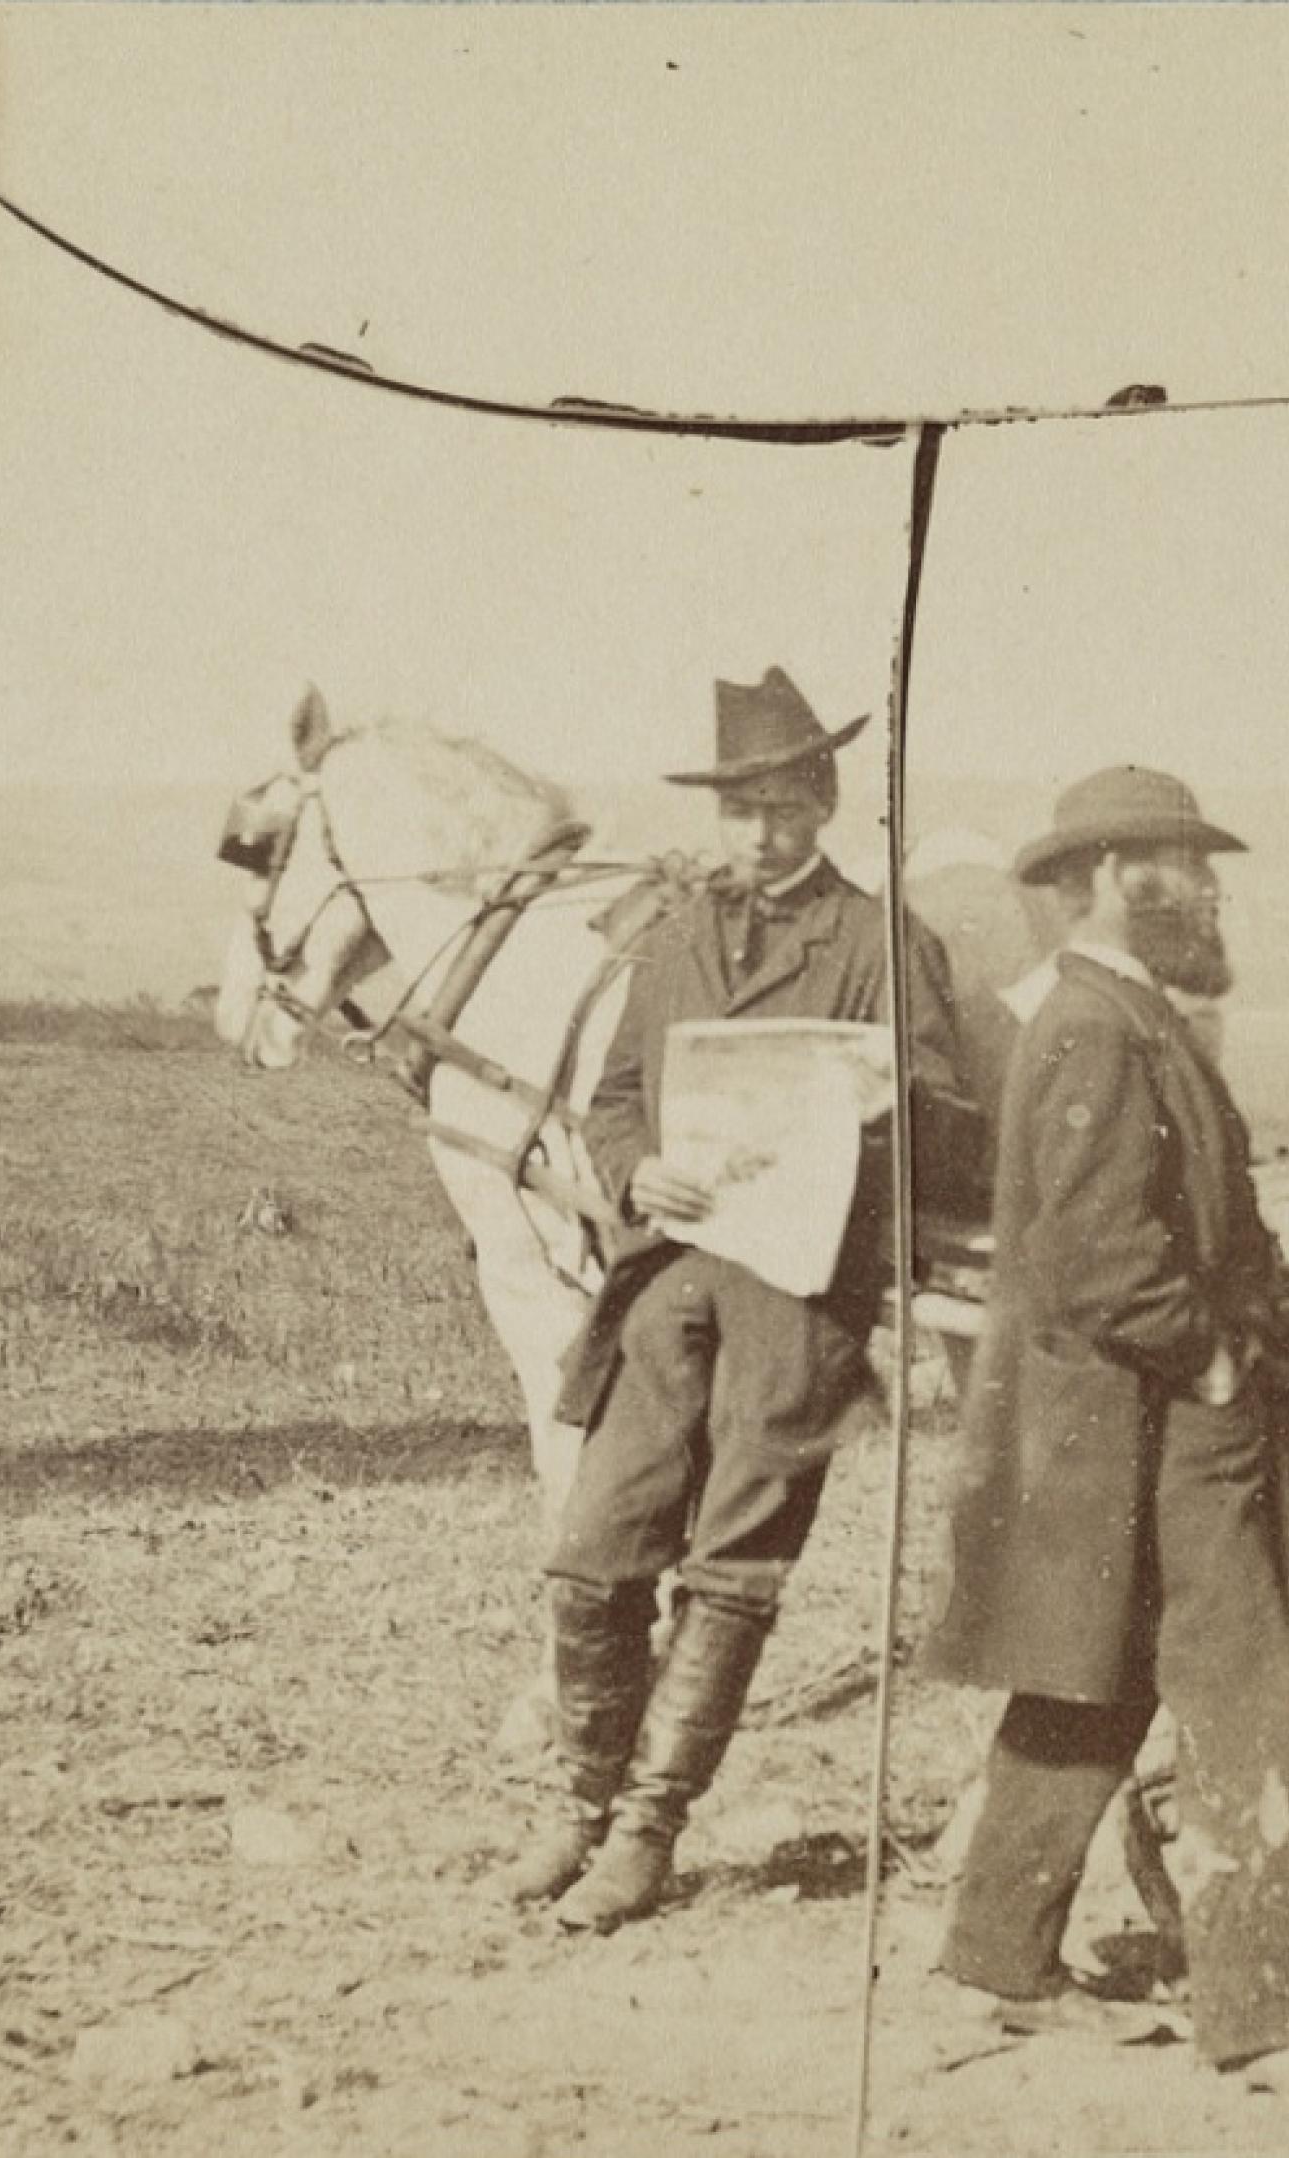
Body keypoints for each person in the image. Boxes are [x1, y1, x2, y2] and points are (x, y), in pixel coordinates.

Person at [920, 766, 1289, 2127]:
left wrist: (1252, 1288)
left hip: (1108, 1418)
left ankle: (999, 1959)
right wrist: (1210, 1347)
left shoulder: (1117, 1016)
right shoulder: (1098, 1027)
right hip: (1155, 1414)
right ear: (1123, 876)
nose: (1211, 890)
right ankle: (1267, 2026)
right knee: (1254, 1696)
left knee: (1090, 1678)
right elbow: (1096, 1253)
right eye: (1190, 866)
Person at [495, 666, 983, 1931]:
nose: (758, 833)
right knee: (591, 1561)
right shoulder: (671, 944)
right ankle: (574, 1806)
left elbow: (949, 1121)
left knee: (730, 1574)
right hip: (665, 1288)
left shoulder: (882, 945)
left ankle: (648, 1832)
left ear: (821, 803)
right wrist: (631, 1169)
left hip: (798, 1297)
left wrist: (884, 1107)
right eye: (738, 810)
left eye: (781, 806)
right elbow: (610, 1103)